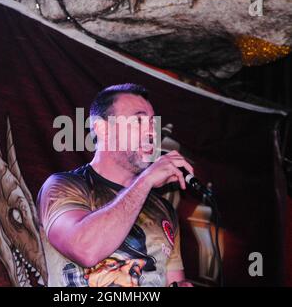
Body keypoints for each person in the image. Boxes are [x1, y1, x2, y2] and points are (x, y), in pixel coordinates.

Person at [37, 83, 193, 287]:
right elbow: (85, 249)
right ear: (102, 129)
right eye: (138, 120)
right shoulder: (64, 186)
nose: (152, 133)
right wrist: (146, 180)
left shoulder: (164, 210)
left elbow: (173, 280)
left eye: (153, 123)